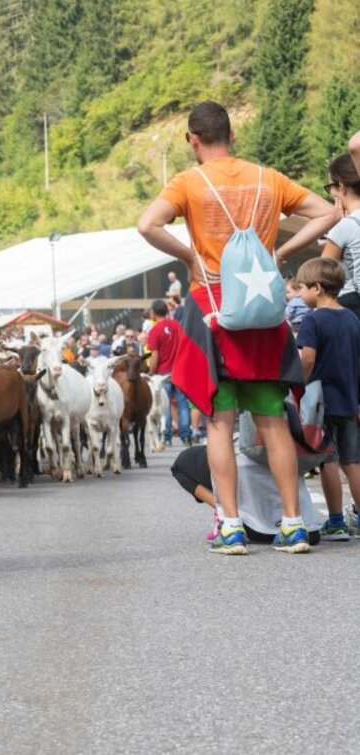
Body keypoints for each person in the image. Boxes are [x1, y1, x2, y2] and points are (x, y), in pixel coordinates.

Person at [137, 100, 338, 555]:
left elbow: (147, 224)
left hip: (213, 308)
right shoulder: (269, 179)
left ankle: (230, 525)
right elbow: (328, 212)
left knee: (218, 422)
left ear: (192, 139)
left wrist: (189, 256)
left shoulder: (189, 182)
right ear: (232, 135)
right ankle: (292, 524)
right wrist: (283, 255)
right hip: (265, 313)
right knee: (272, 422)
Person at [295, 257, 360, 541]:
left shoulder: (312, 320)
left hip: (322, 404)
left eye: (302, 288)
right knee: (353, 461)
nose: (299, 293)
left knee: (329, 461)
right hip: (349, 400)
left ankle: (335, 521)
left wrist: (298, 384)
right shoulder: (352, 318)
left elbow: (307, 359)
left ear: (317, 288)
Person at [171, 441, 322, 546]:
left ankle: (228, 518)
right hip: (309, 529)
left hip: (252, 527)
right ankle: (293, 522)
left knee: (188, 458)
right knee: (277, 431)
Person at [147, 299, 191, 447]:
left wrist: (151, 373)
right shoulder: (177, 326)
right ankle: (186, 436)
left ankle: (166, 437)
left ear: (153, 312)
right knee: (183, 404)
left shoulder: (154, 330)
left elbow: (155, 355)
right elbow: (185, 347)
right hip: (179, 371)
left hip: (162, 374)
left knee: (164, 406)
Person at [322, 152, 360, 319]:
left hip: (353, 309)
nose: (331, 193)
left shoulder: (346, 226)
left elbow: (322, 271)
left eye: (330, 187)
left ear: (342, 187)